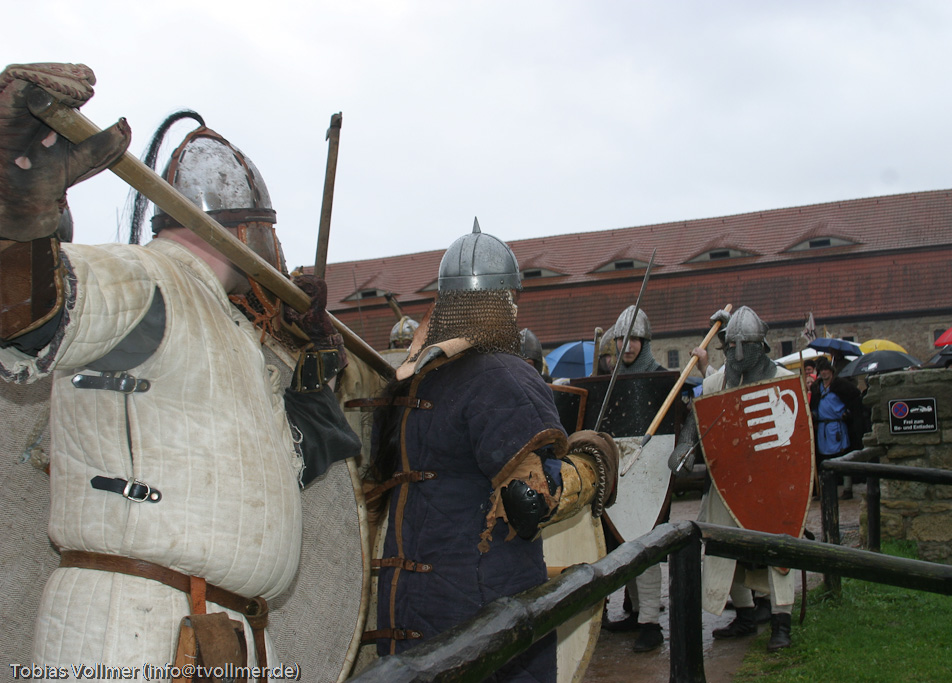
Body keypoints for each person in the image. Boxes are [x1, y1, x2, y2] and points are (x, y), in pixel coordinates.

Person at [0, 62, 359, 670]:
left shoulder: (226, 328)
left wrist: (311, 368)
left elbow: (276, 466)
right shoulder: (148, 280)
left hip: (218, 632)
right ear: (252, 232)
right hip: (134, 631)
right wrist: (17, 217)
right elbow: (28, 317)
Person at [365, 219, 617, 682]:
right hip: (482, 614)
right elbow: (529, 499)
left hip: (408, 609)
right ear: (505, 301)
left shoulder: (410, 381)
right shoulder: (502, 376)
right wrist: (591, 465)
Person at [670, 306, 799, 652]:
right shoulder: (717, 383)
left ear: (761, 346)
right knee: (723, 548)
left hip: (772, 485)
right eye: (732, 347)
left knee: (779, 553)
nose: (739, 355)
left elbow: (794, 439)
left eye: (746, 347)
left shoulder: (782, 381)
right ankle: (744, 614)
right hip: (727, 483)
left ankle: (781, 622)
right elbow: (697, 422)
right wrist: (685, 448)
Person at [601, 304, 667, 652]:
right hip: (622, 475)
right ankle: (638, 612)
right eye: (622, 340)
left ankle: (651, 624)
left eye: (634, 340)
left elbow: (679, 422)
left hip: (652, 476)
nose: (627, 346)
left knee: (649, 547)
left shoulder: (661, 378)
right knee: (624, 541)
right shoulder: (609, 383)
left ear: (645, 342)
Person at [809, 357, 863, 499]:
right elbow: (814, 404)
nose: (824, 373)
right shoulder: (817, 387)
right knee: (823, 459)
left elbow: (854, 399)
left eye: (826, 370)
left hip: (837, 426)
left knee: (843, 457)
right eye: (822, 370)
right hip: (823, 428)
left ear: (831, 371)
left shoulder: (841, 386)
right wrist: (813, 414)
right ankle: (823, 490)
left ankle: (847, 489)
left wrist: (848, 413)